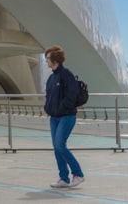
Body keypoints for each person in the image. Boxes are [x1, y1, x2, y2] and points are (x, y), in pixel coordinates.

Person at [43, 45, 84, 188]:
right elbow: (49, 97)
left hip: (66, 116)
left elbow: (71, 95)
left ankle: (78, 174)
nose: (46, 61)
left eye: (47, 58)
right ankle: (64, 178)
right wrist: (48, 108)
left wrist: (61, 108)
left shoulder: (66, 74)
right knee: (56, 147)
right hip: (54, 117)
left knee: (60, 145)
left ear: (54, 58)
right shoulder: (51, 78)